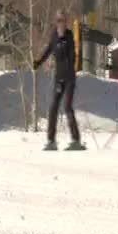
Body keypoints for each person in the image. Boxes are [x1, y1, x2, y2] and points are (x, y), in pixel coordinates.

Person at [33, 10, 82, 150]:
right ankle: (51, 141)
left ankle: (76, 140)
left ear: (66, 22)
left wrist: (69, 64)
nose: (61, 23)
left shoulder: (69, 36)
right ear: (56, 22)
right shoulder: (54, 35)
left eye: (63, 20)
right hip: (59, 78)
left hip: (69, 77)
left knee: (67, 107)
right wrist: (39, 62)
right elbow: (49, 49)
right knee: (53, 107)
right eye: (59, 20)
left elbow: (72, 55)